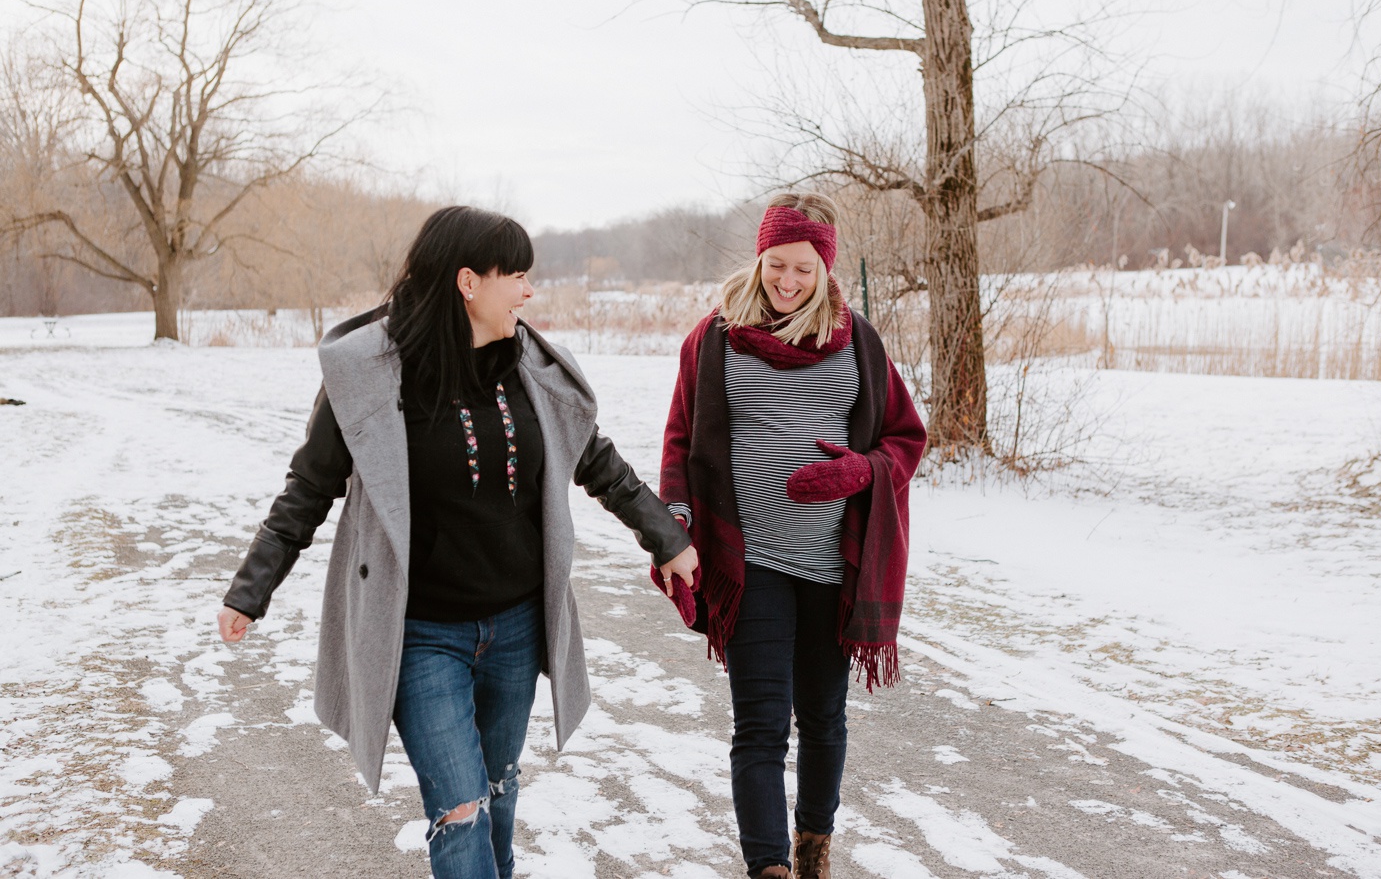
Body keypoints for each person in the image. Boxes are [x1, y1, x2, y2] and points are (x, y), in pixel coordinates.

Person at [217, 205, 699, 879]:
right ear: (468, 282)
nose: (529, 291)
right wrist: (250, 589)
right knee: (460, 806)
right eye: (518, 276)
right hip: (420, 634)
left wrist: (667, 537)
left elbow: (599, 463)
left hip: (516, 626)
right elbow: (307, 488)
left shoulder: (532, 370)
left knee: (498, 790)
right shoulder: (371, 378)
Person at [657, 192, 926, 879]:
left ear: (825, 267)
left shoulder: (858, 340)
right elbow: (681, 443)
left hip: (832, 566)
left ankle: (814, 849)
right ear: (760, 257)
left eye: (802, 268)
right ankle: (768, 867)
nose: (786, 281)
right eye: (776, 264)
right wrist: (676, 519)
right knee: (759, 725)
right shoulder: (713, 337)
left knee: (824, 717)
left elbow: (905, 437)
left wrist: (859, 472)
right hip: (749, 563)